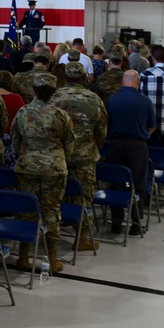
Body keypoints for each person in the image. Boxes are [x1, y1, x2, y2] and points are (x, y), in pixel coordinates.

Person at [10, 71, 73, 273]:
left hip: (27, 166)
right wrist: (59, 158)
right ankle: (52, 260)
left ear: (34, 90)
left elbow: (15, 140)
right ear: (53, 91)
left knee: (26, 210)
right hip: (54, 168)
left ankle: (23, 257)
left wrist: (27, 155)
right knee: (51, 211)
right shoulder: (60, 115)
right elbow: (70, 143)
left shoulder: (23, 112)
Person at [51, 61, 107, 252]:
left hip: (58, 156)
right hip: (84, 158)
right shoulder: (93, 99)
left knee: (55, 197)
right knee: (84, 197)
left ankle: (52, 234)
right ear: (83, 77)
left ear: (66, 77)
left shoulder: (54, 96)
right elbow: (101, 131)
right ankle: (81, 238)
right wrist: (91, 147)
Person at [104, 70, 156, 236]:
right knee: (138, 185)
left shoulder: (112, 99)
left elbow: (106, 123)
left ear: (122, 81)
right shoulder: (145, 102)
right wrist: (144, 134)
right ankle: (135, 223)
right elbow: (152, 126)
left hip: (115, 145)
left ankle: (116, 223)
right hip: (137, 146)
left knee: (116, 183)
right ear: (138, 81)